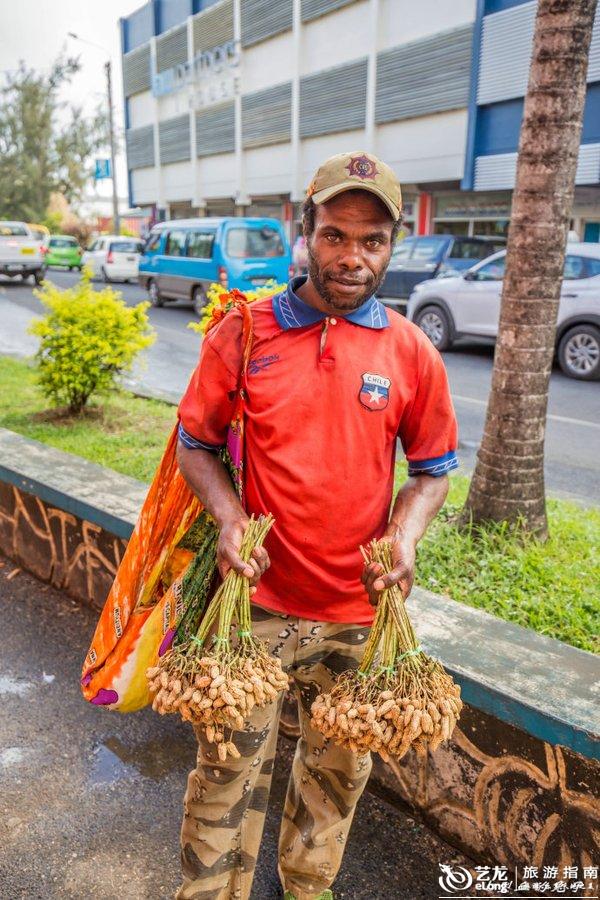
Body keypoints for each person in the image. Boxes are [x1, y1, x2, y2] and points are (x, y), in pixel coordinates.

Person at [175, 151, 458, 900]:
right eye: (335, 235)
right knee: (225, 779)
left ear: (392, 246)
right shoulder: (245, 331)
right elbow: (194, 443)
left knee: (335, 780)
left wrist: (405, 537)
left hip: (356, 619)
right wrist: (230, 516)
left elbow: (433, 469)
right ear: (306, 233)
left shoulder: (411, 353)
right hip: (255, 610)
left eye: (372, 241)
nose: (352, 257)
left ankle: (307, 890)